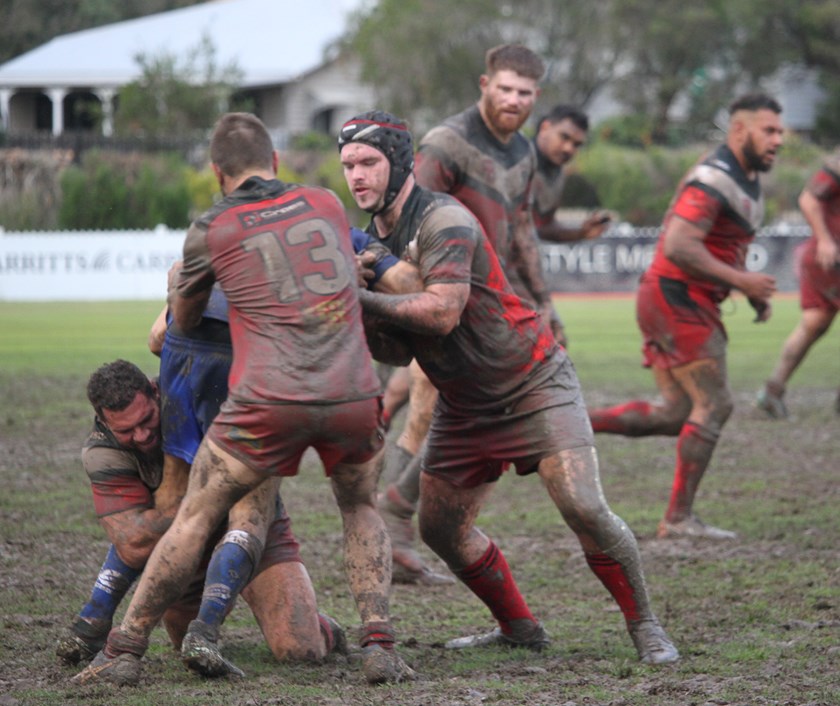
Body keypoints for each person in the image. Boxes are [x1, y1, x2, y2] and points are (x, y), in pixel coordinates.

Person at [71, 112, 414, 687]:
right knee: (359, 506)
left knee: (198, 509)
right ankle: (380, 644)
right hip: (350, 386)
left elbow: (174, 323)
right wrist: (367, 270)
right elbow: (399, 283)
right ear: (277, 161)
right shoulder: (327, 202)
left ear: (216, 172)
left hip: (269, 394)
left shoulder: (213, 225)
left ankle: (123, 648)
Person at [340, 109, 679, 665]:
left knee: (582, 505)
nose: (357, 175)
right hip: (465, 403)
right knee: (441, 530)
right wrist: (359, 316)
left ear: (400, 162)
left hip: (531, 381)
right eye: (349, 164)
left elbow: (444, 312)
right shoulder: (374, 242)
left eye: (369, 162)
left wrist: (356, 298)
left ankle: (646, 626)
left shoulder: (443, 219)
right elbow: (401, 349)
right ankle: (520, 628)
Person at [376, 45, 560, 584]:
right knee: (440, 407)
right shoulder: (446, 143)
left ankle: (395, 530)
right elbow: (409, 213)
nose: (513, 100)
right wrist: (417, 293)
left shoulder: (523, 151)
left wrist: (541, 298)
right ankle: (393, 521)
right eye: (504, 89)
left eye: (524, 93)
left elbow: (521, 227)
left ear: (536, 97)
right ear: (484, 84)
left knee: (426, 409)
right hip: (441, 298)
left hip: (487, 306)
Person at [57, 355, 346, 680]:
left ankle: (320, 624)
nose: (141, 435)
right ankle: (97, 622)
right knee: (186, 645)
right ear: (103, 422)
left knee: (300, 649)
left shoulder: (195, 401)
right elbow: (133, 544)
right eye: (127, 430)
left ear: (156, 393)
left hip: (247, 525)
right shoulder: (102, 453)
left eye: (147, 420)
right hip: (180, 545)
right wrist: (200, 507)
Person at [587, 93, 784, 540]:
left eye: (779, 131)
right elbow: (679, 245)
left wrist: (744, 287)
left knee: (676, 413)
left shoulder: (743, 175)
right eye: (769, 130)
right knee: (715, 404)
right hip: (677, 298)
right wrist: (743, 280)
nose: (779, 139)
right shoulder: (713, 178)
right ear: (739, 130)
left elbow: (716, 244)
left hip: (673, 297)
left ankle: (562, 425)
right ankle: (678, 519)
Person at [756, 153, 840, 418]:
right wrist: (826, 240)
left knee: (814, 323)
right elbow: (808, 198)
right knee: (814, 322)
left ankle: (773, 390)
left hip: (825, 256)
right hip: (831, 255)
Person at [531, 103, 612, 346]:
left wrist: (580, 232)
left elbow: (542, 227)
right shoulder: (514, 158)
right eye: (564, 137)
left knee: (554, 343)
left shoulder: (556, 174)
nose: (568, 148)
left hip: (520, 272)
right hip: (485, 268)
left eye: (576, 144)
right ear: (545, 127)